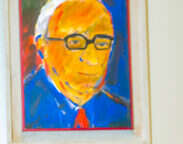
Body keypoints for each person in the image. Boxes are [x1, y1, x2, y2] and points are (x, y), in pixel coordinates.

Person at [23, 0, 131, 129]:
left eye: (102, 43)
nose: (92, 59)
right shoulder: (21, 108)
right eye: (75, 42)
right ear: (42, 46)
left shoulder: (123, 114)